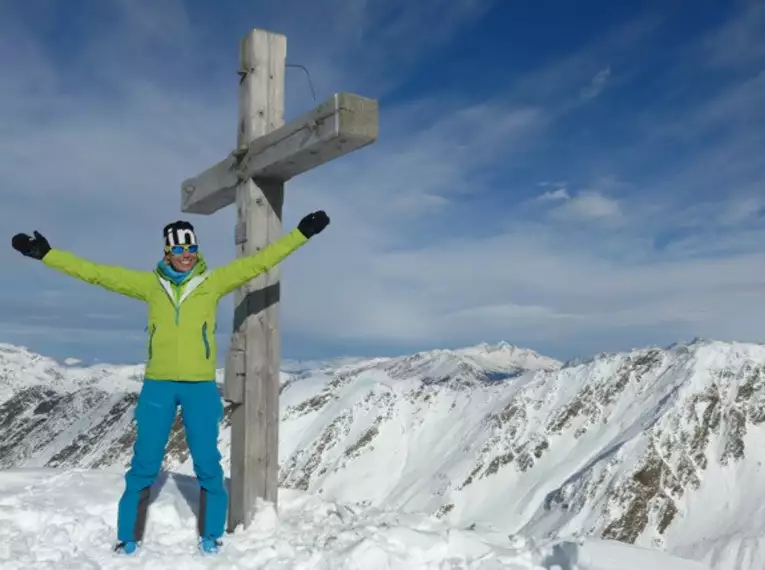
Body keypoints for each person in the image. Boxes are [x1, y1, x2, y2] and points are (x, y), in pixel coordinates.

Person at [10, 210, 330, 556]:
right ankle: (127, 538)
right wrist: (47, 254)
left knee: (207, 462)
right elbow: (97, 275)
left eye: (191, 247)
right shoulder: (150, 286)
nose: (186, 254)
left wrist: (302, 233)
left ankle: (211, 536)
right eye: (179, 250)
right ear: (167, 253)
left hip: (200, 387)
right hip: (158, 385)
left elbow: (260, 262)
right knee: (144, 462)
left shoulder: (214, 282)